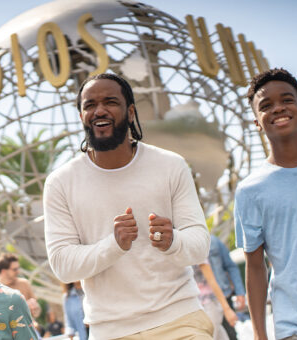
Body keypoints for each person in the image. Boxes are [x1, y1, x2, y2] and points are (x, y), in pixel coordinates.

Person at [44, 73, 212, 339]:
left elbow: (200, 244)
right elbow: (63, 265)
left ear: (131, 112)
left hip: (180, 320)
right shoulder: (60, 183)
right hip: (111, 330)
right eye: (89, 105)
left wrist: (173, 241)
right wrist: (115, 245)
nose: (99, 110)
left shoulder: (171, 165)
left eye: (110, 102)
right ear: (81, 116)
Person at [234, 68, 297, 340]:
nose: (278, 108)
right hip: (294, 328)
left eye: (287, 100)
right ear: (257, 122)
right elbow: (255, 267)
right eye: (266, 105)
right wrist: (260, 336)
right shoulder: (250, 190)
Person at [209, 234, 246, 340]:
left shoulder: (214, 241)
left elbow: (231, 266)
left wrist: (240, 292)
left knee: (231, 334)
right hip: (205, 302)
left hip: (224, 296)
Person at [193, 262, 239, 340]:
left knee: (210, 336)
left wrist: (226, 309)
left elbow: (211, 280)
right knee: (220, 336)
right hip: (198, 305)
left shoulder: (197, 252)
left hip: (210, 304)